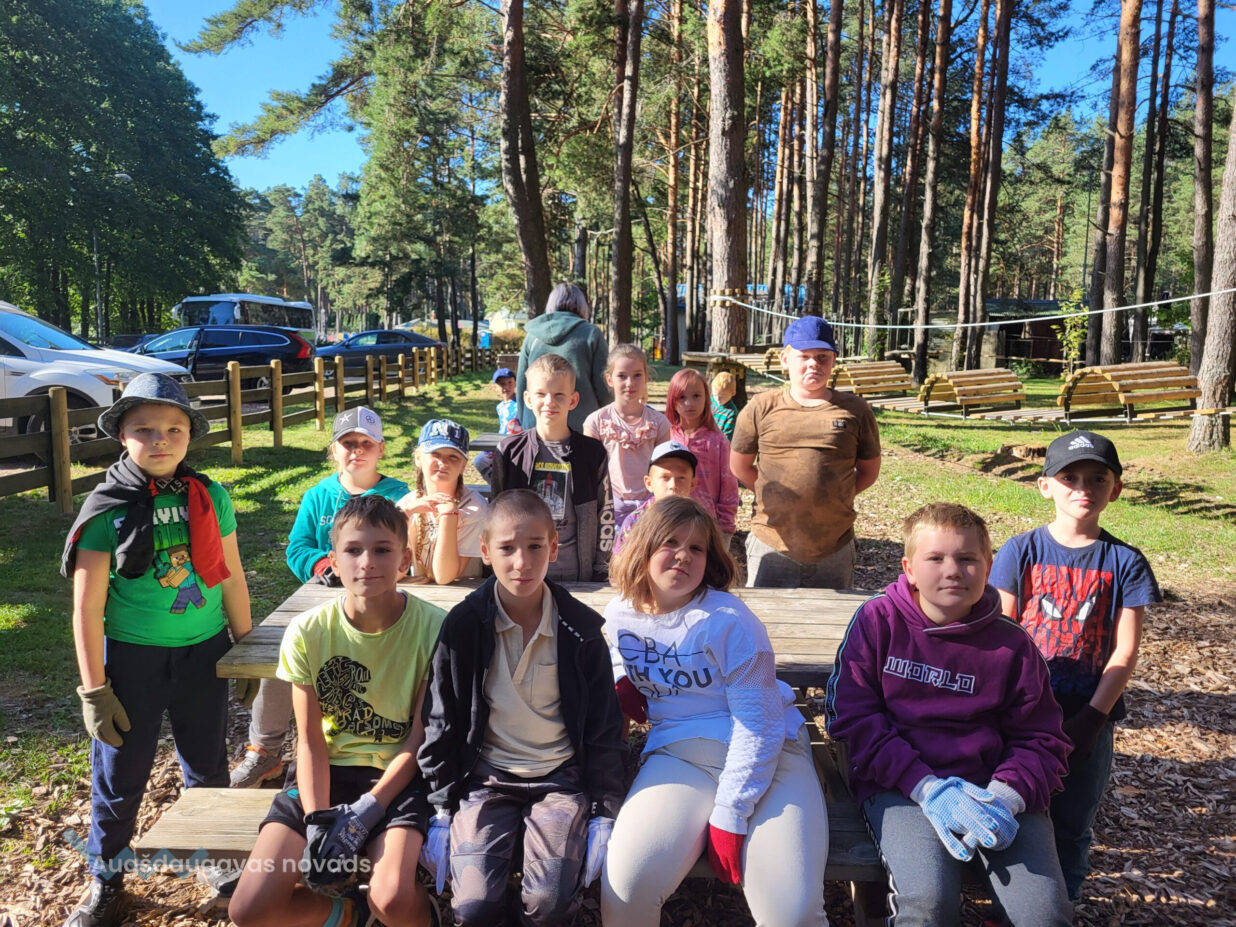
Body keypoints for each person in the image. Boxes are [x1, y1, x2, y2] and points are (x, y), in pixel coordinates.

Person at [60, 373, 253, 927]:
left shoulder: (211, 496)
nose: (160, 439)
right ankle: (106, 879)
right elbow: (86, 609)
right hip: (133, 662)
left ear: (190, 434)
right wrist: (95, 690)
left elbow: (232, 575)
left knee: (208, 765)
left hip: (204, 654)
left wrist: (245, 647)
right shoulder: (106, 508)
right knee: (120, 776)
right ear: (122, 435)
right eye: (144, 429)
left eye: (173, 428)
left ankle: (215, 857)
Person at [826, 502, 1073, 927]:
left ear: (989, 566)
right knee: (928, 905)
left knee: (1044, 914)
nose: (953, 571)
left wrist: (1007, 796)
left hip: (993, 790)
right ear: (909, 568)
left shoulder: (1012, 644)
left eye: (967, 558)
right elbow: (853, 718)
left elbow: (1042, 738)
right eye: (935, 558)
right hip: (903, 786)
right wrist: (926, 788)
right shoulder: (878, 621)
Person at [600, 496, 829, 927]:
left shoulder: (730, 621)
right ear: (642, 548)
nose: (683, 555)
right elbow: (615, 646)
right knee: (627, 890)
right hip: (679, 754)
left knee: (792, 914)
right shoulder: (619, 614)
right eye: (670, 542)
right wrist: (620, 677)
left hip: (771, 757)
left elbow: (759, 724)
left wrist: (729, 812)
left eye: (697, 548)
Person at [228, 496, 446, 927]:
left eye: (382, 549)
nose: (367, 562)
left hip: (397, 780)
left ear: (405, 559)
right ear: (333, 560)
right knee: (249, 909)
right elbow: (309, 739)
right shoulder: (307, 631)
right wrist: (317, 821)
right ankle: (349, 914)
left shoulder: (434, 627)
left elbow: (418, 737)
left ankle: (424, 917)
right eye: (353, 550)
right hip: (322, 777)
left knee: (392, 899)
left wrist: (369, 809)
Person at [417, 490, 625, 926]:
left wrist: (604, 810)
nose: (522, 562)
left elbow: (604, 726)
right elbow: (441, 719)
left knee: (550, 901)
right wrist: (439, 807)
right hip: (486, 779)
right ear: (485, 551)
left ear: (554, 547)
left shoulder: (581, 631)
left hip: (559, 780)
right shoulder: (464, 626)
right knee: (473, 906)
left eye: (534, 547)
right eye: (507, 548)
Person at [990, 430, 1160, 902]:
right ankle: (1010, 907)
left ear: (1116, 488)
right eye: (1070, 478)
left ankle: (1062, 908)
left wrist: (1092, 718)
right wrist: (1006, 707)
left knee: (1072, 825)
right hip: (1022, 715)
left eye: (1097, 478)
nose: (1083, 488)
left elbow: (1124, 652)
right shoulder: (1020, 551)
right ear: (1045, 486)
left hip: (1087, 720)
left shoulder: (1125, 562)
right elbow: (1003, 634)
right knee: (1012, 812)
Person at [233, 407, 410, 789]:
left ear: (381, 449)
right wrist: (322, 565)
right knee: (284, 645)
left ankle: (372, 740)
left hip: (380, 598)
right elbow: (297, 547)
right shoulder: (318, 495)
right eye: (348, 443)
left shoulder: (399, 495)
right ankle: (265, 749)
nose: (357, 451)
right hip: (323, 595)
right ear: (333, 450)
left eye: (366, 443)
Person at [730, 315, 881, 589]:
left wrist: (835, 495)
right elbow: (739, 466)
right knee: (767, 615)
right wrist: (771, 492)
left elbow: (869, 471)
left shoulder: (856, 410)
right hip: (771, 544)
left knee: (833, 616)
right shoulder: (761, 407)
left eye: (822, 357)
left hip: (834, 547)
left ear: (833, 360)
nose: (814, 364)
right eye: (804, 356)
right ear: (785, 359)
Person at [492, 353, 614, 582]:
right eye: (541, 394)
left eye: (559, 395)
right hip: (522, 574)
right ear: (528, 399)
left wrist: (601, 568)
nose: (549, 402)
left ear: (573, 400)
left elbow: (605, 513)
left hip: (577, 574)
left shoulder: (592, 453)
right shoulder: (509, 453)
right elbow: (495, 516)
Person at [583, 344, 671, 523]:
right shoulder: (596, 422)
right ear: (609, 379)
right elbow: (589, 473)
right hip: (609, 508)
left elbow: (665, 470)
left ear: (646, 377)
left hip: (650, 508)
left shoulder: (659, 423)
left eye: (637, 375)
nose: (630, 383)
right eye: (622, 376)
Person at [397, 420, 488, 584]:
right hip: (418, 593)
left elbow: (444, 577)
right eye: (435, 454)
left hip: (463, 593)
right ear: (418, 458)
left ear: (463, 466)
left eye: (453, 456)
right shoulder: (407, 504)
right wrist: (405, 514)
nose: (443, 463)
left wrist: (449, 515)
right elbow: (394, 573)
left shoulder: (474, 507)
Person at [514, 283, 610, 432]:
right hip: (583, 426)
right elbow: (604, 386)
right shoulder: (591, 333)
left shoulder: (532, 336)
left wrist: (525, 421)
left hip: (537, 425)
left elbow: (522, 384)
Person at [665, 367, 739, 544]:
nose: (689, 403)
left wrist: (725, 529)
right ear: (672, 400)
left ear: (707, 397)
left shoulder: (718, 441)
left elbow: (729, 486)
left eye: (696, 396)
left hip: (707, 526)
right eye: (682, 397)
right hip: (669, 521)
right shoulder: (665, 437)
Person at [613, 440, 698, 556]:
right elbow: (620, 561)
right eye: (665, 477)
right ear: (649, 483)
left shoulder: (699, 522)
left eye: (681, 478)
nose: (673, 485)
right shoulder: (635, 522)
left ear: (692, 484)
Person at [474, 368, 523, 485]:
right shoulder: (500, 407)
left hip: (517, 443)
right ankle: (498, 486)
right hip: (501, 442)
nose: (506, 387)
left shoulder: (521, 403)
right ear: (495, 387)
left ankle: (506, 486)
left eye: (510, 382)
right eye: (502, 384)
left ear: (515, 383)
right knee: (480, 461)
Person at [710, 371, 739, 440]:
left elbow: (727, 438)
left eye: (722, 396)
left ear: (732, 393)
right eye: (715, 395)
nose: (717, 399)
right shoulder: (710, 401)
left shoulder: (731, 413)